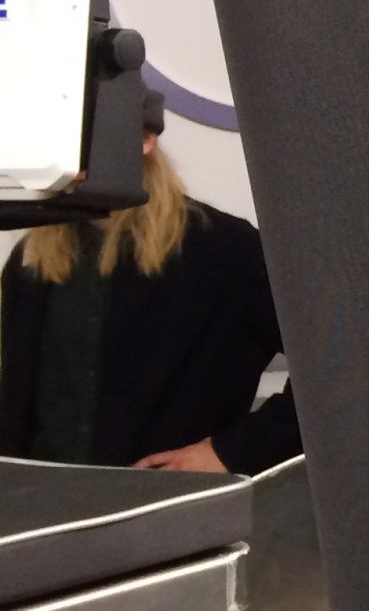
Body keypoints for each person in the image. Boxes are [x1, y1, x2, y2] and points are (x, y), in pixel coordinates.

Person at [0, 93, 300, 475]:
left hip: (169, 504)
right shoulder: (32, 258)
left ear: (145, 139)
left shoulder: (226, 251)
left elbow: (339, 370)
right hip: (41, 499)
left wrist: (230, 452)